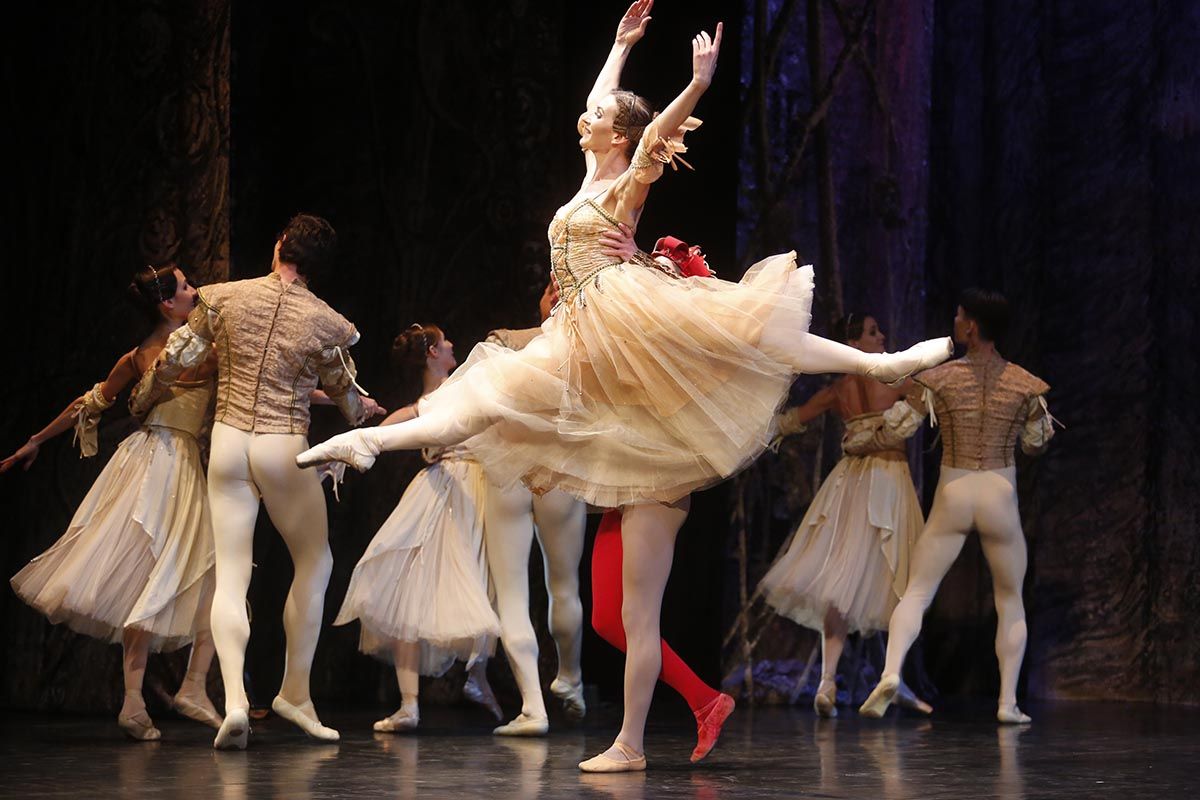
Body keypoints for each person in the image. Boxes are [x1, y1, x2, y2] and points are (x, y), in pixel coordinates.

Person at [298, 2, 950, 771]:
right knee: (478, 405)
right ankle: (371, 439)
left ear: (619, 134)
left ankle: (876, 363)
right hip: (579, 336)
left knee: (745, 326)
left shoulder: (626, 182)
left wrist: (697, 84)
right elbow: (599, 110)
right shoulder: (587, 175)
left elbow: (651, 135)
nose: (587, 120)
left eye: (599, 118)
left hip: (618, 316)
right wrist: (616, 46)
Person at [140, 213, 378, 749]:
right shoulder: (324, 320)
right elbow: (344, 392)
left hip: (228, 441)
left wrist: (138, 401)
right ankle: (295, 691)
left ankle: (234, 702)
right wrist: (363, 412)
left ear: (279, 248)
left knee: (230, 577)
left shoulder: (225, 298)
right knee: (316, 561)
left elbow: (174, 361)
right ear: (317, 267)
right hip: (281, 442)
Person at [4, 264, 221, 741]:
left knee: (208, 583)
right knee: (147, 580)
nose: (194, 291)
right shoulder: (142, 356)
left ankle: (187, 688)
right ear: (168, 303)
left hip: (184, 466)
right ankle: (137, 701)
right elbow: (91, 404)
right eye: (186, 287)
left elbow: (255, 389)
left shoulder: (206, 347)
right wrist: (35, 440)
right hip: (152, 466)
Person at [858, 289, 1057, 724]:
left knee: (917, 591)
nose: (954, 319)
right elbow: (1037, 442)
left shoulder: (939, 379)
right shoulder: (1026, 384)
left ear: (970, 327)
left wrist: (861, 436)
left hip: (955, 488)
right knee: (1010, 600)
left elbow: (899, 427)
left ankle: (891, 672)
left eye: (959, 315)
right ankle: (1007, 703)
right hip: (999, 492)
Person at [759, 313, 931, 718]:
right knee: (899, 578)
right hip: (886, 483)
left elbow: (792, 420)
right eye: (873, 332)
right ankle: (891, 676)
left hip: (849, 485)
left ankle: (829, 680)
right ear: (854, 344)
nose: (883, 335)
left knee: (841, 583)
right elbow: (927, 393)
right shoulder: (895, 378)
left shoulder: (838, 390)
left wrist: (751, 430)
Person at [335, 324, 502, 733]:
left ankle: (476, 676)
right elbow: (379, 434)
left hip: (476, 491)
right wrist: (341, 455)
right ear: (431, 353)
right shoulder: (430, 403)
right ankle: (409, 704)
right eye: (446, 343)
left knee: (485, 586)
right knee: (406, 588)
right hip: (441, 489)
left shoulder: (464, 388)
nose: (453, 347)